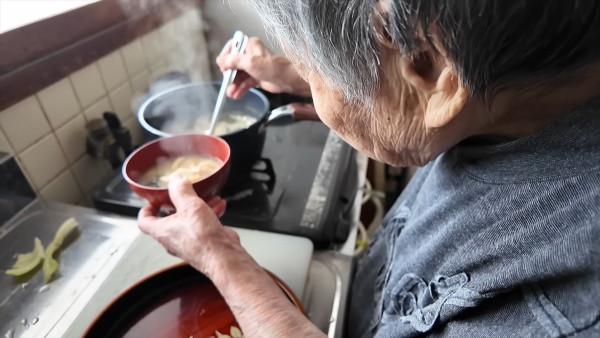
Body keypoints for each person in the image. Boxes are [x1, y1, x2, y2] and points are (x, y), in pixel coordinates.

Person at [138, 1, 600, 337]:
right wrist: (313, 79)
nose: (312, 85)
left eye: (314, 72)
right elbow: (442, 105)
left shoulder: (563, 306)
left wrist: (222, 257)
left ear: (428, 70)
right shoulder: (530, 96)